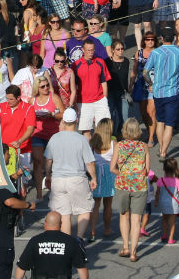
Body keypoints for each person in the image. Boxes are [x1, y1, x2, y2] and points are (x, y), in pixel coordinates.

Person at [0, 145, 36, 279]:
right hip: (0, 228)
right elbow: (9, 201)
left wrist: (15, 176)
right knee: (2, 263)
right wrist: (28, 205)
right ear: (1, 155)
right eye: (7, 154)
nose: (10, 156)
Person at [44, 108, 97, 237]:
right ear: (76, 121)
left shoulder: (54, 138)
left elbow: (48, 160)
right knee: (84, 209)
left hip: (58, 179)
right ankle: (79, 239)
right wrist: (94, 178)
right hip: (77, 179)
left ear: (63, 121)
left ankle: (66, 242)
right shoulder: (81, 139)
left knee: (64, 214)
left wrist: (48, 176)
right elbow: (89, 162)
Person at [144, 28, 179, 159]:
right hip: (173, 91)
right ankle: (164, 151)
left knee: (160, 121)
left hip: (158, 92)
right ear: (174, 38)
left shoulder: (155, 53)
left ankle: (160, 147)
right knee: (170, 123)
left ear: (162, 38)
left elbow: (145, 73)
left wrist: (151, 84)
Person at [110, 117, 149, 261]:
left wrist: (123, 174)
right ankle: (133, 252)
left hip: (123, 184)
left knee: (124, 215)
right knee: (136, 219)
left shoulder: (119, 146)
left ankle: (125, 246)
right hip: (139, 185)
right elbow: (147, 169)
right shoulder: (143, 146)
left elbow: (112, 168)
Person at [14, 211, 89, 279]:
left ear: (45, 223)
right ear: (61, 224)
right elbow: (82, 269)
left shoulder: (35, 241)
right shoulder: (71, 241)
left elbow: (21, 268)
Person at [30, 75, 64, 201]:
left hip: (52, 134)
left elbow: (63, 113)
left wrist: (51, 115)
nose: (46, 88)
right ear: (37, 88)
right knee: (38, 162)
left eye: (47, 85)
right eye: (42, 86)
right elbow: (28, 116)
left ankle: (55, 191)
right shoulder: (32, 100)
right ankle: (39, 194)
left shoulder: (53, 97)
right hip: (37, 133)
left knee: (54, 164)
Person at [74, 40, 112, 134]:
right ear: (83, 50)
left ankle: (103, 148)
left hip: (100, 100)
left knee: (104, 129)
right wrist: (75, 104)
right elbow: (74, 86)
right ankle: (89, 149)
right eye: (88, 50)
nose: (90, 52)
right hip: (83, 102)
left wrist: (105, 99)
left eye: (92, 50)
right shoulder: (76, 65)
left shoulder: (100, 62)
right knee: (86, 131)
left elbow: (104, 82)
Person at [89, 118, 116, 240]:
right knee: (108, 204)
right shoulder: (113, 143)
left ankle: (92, 231)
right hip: (109, 173)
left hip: (96, 173)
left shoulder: (92, 143)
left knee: (95, 205)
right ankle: (107, 228)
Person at [0, 85, 37, 161]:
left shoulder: (28, 108)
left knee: (22, 173)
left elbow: (30, 128)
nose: (8, 101)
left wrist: (20, 141)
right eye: (7, 98)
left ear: (18, 98)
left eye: (11, 99)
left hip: (23, 150)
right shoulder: (0, 107)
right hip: (4, 151)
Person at [155, 157, 179, 245]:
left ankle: (164, 234)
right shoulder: (177, 181)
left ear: (164, 168)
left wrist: (156, 201)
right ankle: (170, 238)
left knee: (164, 219)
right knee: (172, 221)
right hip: (173, 203)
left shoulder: (161, 180)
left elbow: (157, 192)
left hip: (163, 202)